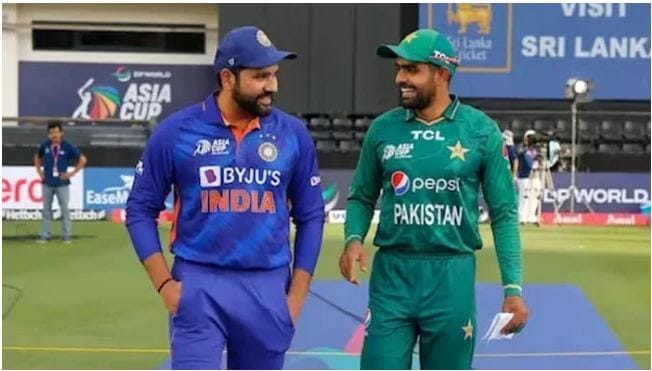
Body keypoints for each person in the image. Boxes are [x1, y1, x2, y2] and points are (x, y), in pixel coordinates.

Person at [125, 26, 325, 370]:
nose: (272, 86)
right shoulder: (177, 132)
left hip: (267, 286)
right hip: (198, 284)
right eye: (261, 76)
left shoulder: (292, 135)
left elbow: (311, 215)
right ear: (228, 77)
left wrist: (295, 299)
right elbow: (140, 210)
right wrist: (165, 286)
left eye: (274, 75)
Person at [338, 29, 529, 370]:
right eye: (399, 68)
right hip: (392, 277)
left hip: (451, 277)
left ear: (441, 74)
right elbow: (361, 196)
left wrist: (512, 288)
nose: (400, 78)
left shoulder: (481, 131)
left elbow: (503, 214)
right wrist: (353, 237)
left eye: (411, 69)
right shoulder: (383, 129)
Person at [34, 121, 87, 244]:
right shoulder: (45, 146)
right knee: (46, 210)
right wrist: (39, 170)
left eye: (56, 132)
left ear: (61, 133)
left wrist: (71, 173)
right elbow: (37, 156)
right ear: (48, 134)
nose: (54, 135)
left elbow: (83, 159)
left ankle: (66, 236)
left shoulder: (67, 146)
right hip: (47, 182)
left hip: (62, 184)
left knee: (64, 210)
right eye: (51, 133)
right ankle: (45, 236)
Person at [515, 130, 539, 224]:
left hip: (535, 176)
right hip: (524, 176)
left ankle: (532, 217)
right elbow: (520, 153)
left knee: (534, 197)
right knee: (524, 197)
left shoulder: (535, 149)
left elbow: (538, 158)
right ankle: (522, 217)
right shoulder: (522, 148)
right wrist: (526, 146)